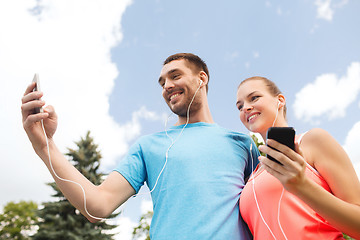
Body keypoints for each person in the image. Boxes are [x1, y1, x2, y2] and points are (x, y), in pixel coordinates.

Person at [21, 53, 260, 240]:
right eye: (162, 82)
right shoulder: (149, 146)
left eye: (175, 76)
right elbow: (97, 205)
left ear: (202, 78)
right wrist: (45, 146)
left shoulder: (243, 145)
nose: (166, 85)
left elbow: (266, 212)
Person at [235, 76, 360, 239]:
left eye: (254, 98)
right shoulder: (252, 175)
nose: (246, 107)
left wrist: (303, 187)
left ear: (280, 100)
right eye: (240, 106)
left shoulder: (313, 141)